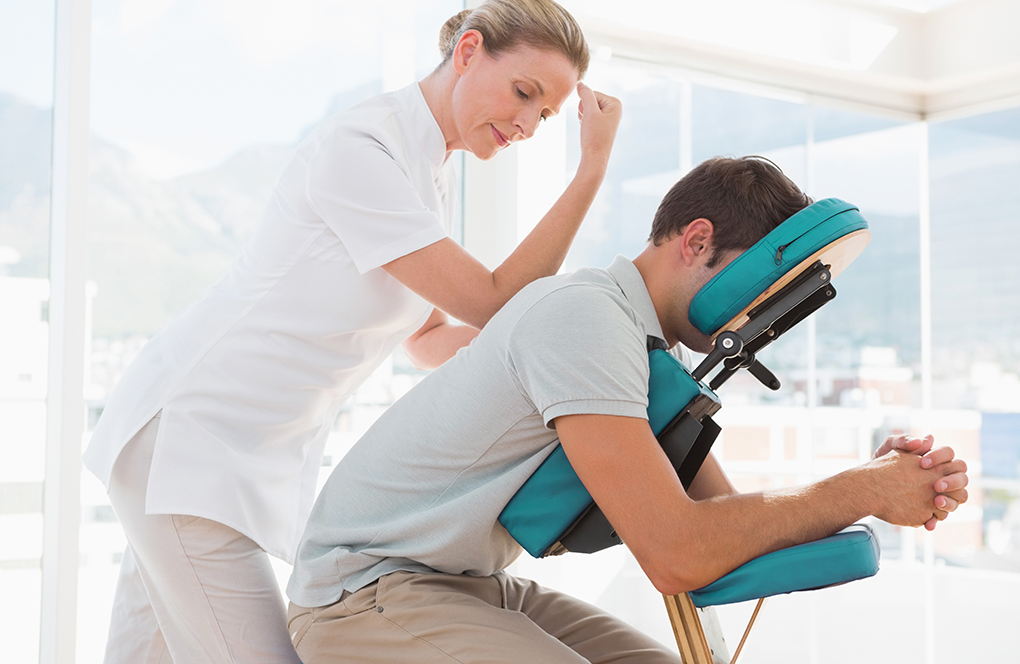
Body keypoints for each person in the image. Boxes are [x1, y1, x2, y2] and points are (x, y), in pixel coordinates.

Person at [83, 0, 622, 664]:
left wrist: (536, 357)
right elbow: (492, 300)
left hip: (225, 454)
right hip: (188, 444)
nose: (528, 124)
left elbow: (428, 339)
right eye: (523, 92)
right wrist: (591, 168)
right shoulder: (363, 148)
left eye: (544, 113)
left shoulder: (428, 177)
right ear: (468, 50)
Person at [285, 156, 970, 664]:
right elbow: (678, 553)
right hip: (364, 593)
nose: (759, 316)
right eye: (759, 290)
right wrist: (863, 489)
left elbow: (726, 527)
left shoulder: (646, 351)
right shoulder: (585, 318)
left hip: (466, 585)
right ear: (696, 241)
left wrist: (880, 484)